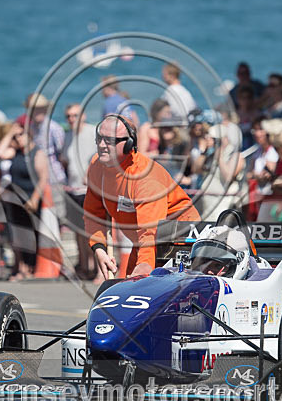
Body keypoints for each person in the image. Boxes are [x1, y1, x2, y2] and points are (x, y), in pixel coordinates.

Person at [84, 114, 200, 280]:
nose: (102, 145)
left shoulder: (145, 178)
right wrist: (99, 249)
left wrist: (145, 265)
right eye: (99, 138)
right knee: (129, 286)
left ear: (129, 144)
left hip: (180, 239)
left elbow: (150, 232)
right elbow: (93, 213)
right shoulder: (97, 166)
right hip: (143, 242)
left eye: (109, 140)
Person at [0, 118, 48, 281]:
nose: (18, 139)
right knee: (18, 235)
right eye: (16, 136)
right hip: (15, 200)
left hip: (31, 198)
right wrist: (10, 133)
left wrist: (34, 199)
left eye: (21, 135)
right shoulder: (16, 152)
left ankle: (30, 266)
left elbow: (42, 179)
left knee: (31, 234)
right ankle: (21, 267)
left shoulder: (37, 153)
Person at [62, 104, 97, 279]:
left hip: (89, 190)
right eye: (68, 116)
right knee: (78, 231)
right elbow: (64, 160)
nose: (71, 119)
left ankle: (96, 268)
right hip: (73, 190)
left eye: (75, 115)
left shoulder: (92, 133)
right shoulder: (67, 136)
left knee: (92, 231)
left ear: (83, 116)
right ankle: (84, 266)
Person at [247, 116, 280, 221]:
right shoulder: (257, 152)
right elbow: (249, 174)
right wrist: (256, 175)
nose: (257, 134)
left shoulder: (275, 151)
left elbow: (267, 175)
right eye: (255, 130)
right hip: (257, 197)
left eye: (261, 129)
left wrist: (254, 174)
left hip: (270, 199)